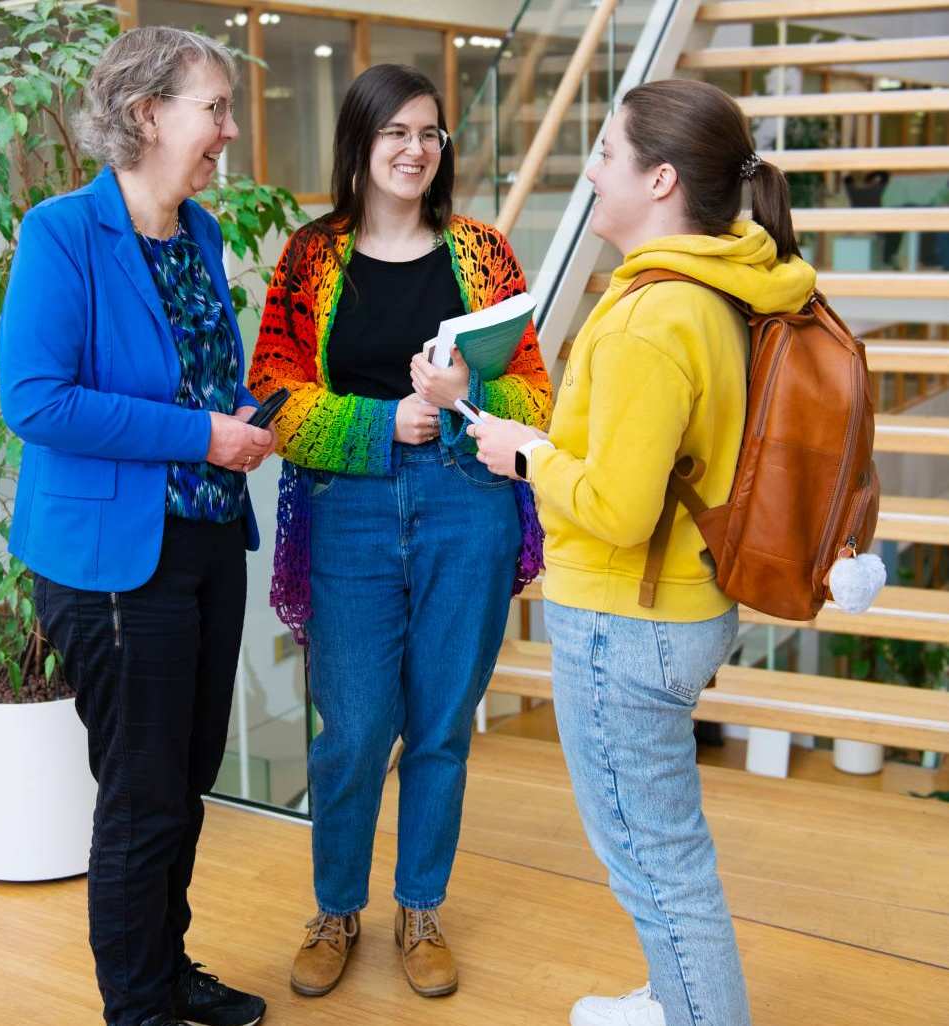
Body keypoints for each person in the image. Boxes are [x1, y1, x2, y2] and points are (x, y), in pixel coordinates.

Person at [468, 78, 817, 1026]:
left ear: (660, 180)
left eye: (609, 154)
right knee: (664, 849)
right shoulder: (727, 284)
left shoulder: (646, 318)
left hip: (626, 618)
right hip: (685, 603)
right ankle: (675, 1000)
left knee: (656, 865)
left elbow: (617, 510)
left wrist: (524, 453)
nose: (591, 168)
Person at [247, 63, 551, 1000]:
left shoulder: (484, 250)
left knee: (442, 726)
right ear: (360, 145)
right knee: (355, 726)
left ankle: (420, 907)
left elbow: (538, 393)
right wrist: (384, 424)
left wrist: (469, 396)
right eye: (396, 134)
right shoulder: (310, 255)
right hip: (350, 507)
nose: (416, 150)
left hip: (469, 504)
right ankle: (336, 907)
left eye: (430, 134)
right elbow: (269, 394)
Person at [0, 27, 274, 1026]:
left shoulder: (195, 233)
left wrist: (248, 416)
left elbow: (198, 376)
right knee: (141, 797)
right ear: (146, 113)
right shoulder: (61, 232)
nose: (231, 131)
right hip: (114, 563)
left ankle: (167, 967)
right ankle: (140, 1009)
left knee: (184, 782)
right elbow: (35, 400)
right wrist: (200, 434)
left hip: (205, 541)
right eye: (216, 109)